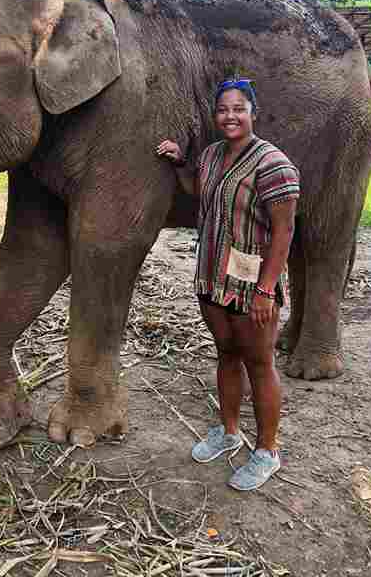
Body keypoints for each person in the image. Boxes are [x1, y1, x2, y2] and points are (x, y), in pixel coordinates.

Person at [156, 79, 299, 491]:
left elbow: (284, 230)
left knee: (259, 362)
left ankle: (267, 450)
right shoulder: (212, 156)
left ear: (254, 112)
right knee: (226, 355)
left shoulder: (273, 164)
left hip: (253, 284)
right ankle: (229, 431)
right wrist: (180, 161)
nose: (230, 116)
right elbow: (200, 194)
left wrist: (266, 290)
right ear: (214, 115)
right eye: (223, 109)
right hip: (213, 278)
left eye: (239, 108)